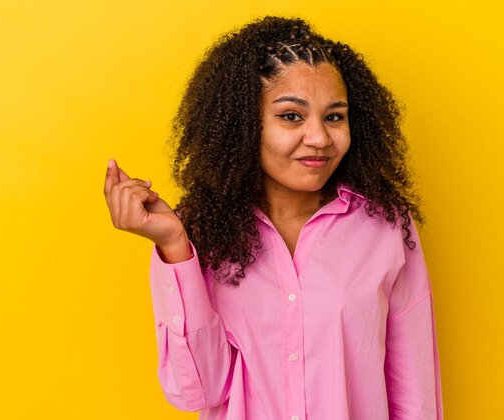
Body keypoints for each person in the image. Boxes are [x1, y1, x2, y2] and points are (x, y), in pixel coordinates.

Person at [104, 16, 443, 420]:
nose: (319, 137)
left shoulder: (385, 227)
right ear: (245, 126)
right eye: (291, 116)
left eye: (334, 116)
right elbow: (199, 389)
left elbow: (414, 394)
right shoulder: (203, 233)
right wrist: (175, 248)